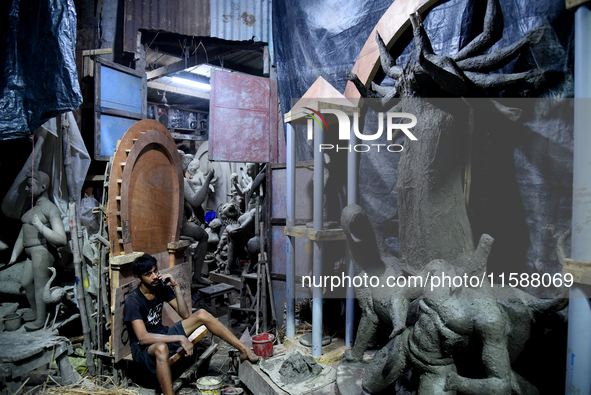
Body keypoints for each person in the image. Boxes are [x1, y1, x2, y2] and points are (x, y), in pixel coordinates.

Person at [123, 254, 259, 395]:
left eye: (155, 271)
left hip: (163, 335)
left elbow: (185, 314)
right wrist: (180, 338)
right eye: (148, 274)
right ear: (138, 278)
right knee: (161, 348)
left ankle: (243, 350)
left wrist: (175, 286)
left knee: (202, 314)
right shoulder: (133, 302)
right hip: (144, 349)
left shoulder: (159, 287)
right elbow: (143, 338)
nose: (155, 276)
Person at [9, 171, 68, 331]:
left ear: (42, 187)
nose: (27, 190)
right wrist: (14, 256)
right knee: (26, 283)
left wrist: (41, 226)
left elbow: (61, 239)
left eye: (30, 186)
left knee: (40, 287)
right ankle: (35, 312)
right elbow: (22, 236)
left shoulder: (50, 209)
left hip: (41, 251)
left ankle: (41, 319)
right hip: (30, 254)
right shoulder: (31, 209)